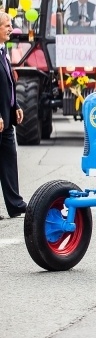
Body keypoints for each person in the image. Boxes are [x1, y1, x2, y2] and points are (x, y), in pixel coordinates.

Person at [0, 12, 26, 219]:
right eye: (6, 25)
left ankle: (15, 205)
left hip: (7, 118)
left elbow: (8, 83)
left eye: (10, 25)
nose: (11, 29)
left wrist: (15, 105)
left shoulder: (3, 52)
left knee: (9, 159)